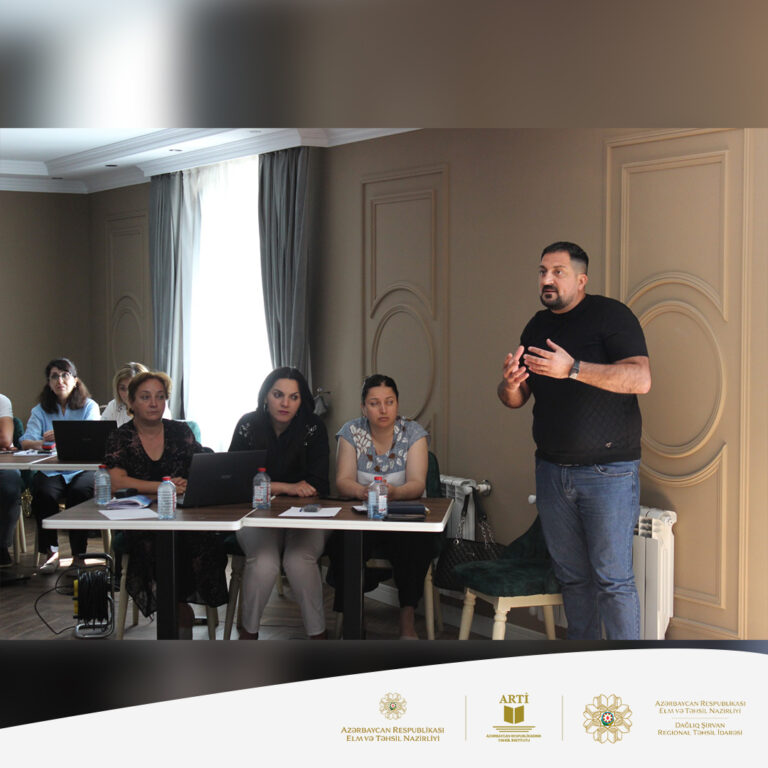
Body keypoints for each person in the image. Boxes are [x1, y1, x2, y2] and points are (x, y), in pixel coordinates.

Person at [498, 241, 651, 640]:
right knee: (572, 579)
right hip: (552, 471)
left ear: (581, 280)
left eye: (558, 272)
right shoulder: (537, 326)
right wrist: (510, 384)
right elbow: (516, 399)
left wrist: (574, 368)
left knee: (613, 580)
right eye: (542, 272)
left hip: (609, 472)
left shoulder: (611, 316)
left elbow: (641, 379)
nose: (547, 280)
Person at [104, 371, 227, 635]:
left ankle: (179, 613)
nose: (154, 403)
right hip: (142, 520)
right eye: (145, 397)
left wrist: (189, 483)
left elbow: (204, 468)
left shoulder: (180, 431)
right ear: (131, 402)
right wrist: (163, 486)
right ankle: (180, 614)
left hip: (183, 516)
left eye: (160, 397)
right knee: (157, 548)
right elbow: (116, 481)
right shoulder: (121, 437)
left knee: (201, 543)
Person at [229, 367, 330, 640]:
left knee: (298, 561)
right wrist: (288, 487)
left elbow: (319, 484)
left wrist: (268, 485)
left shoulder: (313, 427)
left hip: (306, 516)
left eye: (293, 397)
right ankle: (248, 635)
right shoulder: (248, 425)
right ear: (266, 396)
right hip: (258, 515)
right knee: (263, 562)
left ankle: (318, 636)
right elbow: (235, 479)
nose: (285, 403)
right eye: (278, 395)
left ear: (301, 400)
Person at [332, 374, 431, 639]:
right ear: (364, 407)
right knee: (344, 543)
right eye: (374, 403)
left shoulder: (414, 433)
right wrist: (362, 491)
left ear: (397, 404)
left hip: (401, 515)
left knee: (414, 544)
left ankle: (407, 620)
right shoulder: (351, 432)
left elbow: (417, 484)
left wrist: (395, 492)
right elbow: (343, 481)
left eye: (389, 402)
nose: (383, 409)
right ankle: (354, 617)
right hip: (362, 516)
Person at [20, 358, 100, 573]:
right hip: (51, 469)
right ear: (49, 383)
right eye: (54, 376)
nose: (60, 380)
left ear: (75, 380)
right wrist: (45, 442)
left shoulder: (89, 406)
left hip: (82, 469)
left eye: (65, 375)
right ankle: (51, 552)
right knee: (43, 493)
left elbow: (92, 437)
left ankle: (79, 556)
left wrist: (64, 435)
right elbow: (26, 441)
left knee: (79, 492)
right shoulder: (40, 410)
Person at [101, 362, 172, 427]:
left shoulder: (157, 406)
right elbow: (101, 430)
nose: (127, 394)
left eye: (131, 388)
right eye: (122, 388)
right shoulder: (114, 405)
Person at [0, 392, 22, 567]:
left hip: (2, 462)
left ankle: (1, 545)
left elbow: (5, 439)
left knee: (10, 479)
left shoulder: (1, 401)